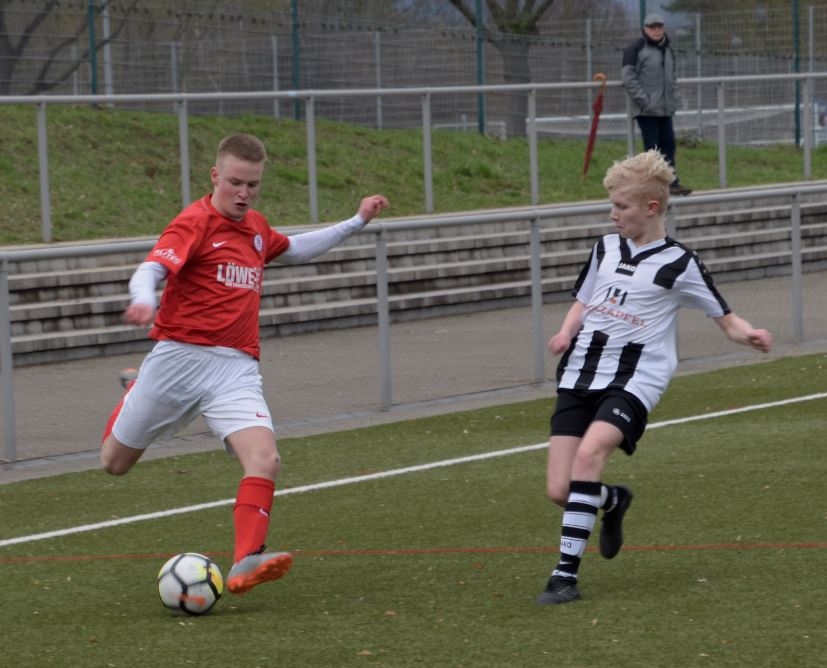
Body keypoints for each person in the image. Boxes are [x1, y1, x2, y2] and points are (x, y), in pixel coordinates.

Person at [100, 133, 389, 596]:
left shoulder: (256, 227)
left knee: (265, 459)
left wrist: (356, 222)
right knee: (114, 463)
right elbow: (152, 268)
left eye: (252, 184)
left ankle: (245, 560)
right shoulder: (194, 222)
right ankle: (136, 390)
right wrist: (144, 299)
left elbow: (296, 249)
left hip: (235, 367)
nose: (243, 193)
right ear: (215, 176)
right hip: (178, 359)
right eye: (235, 182)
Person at [535, 150, 772, 605]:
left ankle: (564, 576)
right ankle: (612, 501)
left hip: (635, 378)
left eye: (620, 206)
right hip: (581, 372)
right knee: (560, 490)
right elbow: (584, 300)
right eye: (612, 204)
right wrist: (566, 332)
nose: (613, 214)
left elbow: (726, 320)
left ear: (651, 207)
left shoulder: (680, 263)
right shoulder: (605, 248)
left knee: (589, 455)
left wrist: (751, 335)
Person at [621, 13, 692, 197]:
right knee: (653, 149)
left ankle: (671, 183)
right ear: (645, 29)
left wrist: (674, 99)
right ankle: (654, 186)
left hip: (665, 109)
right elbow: (628, 77)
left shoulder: (668, 50)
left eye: (659, 26)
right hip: (646, 110)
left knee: (669, 145)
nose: (656, 30)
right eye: (652, 27)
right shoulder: (635, 49)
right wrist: (644, 101)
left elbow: (672, 78)